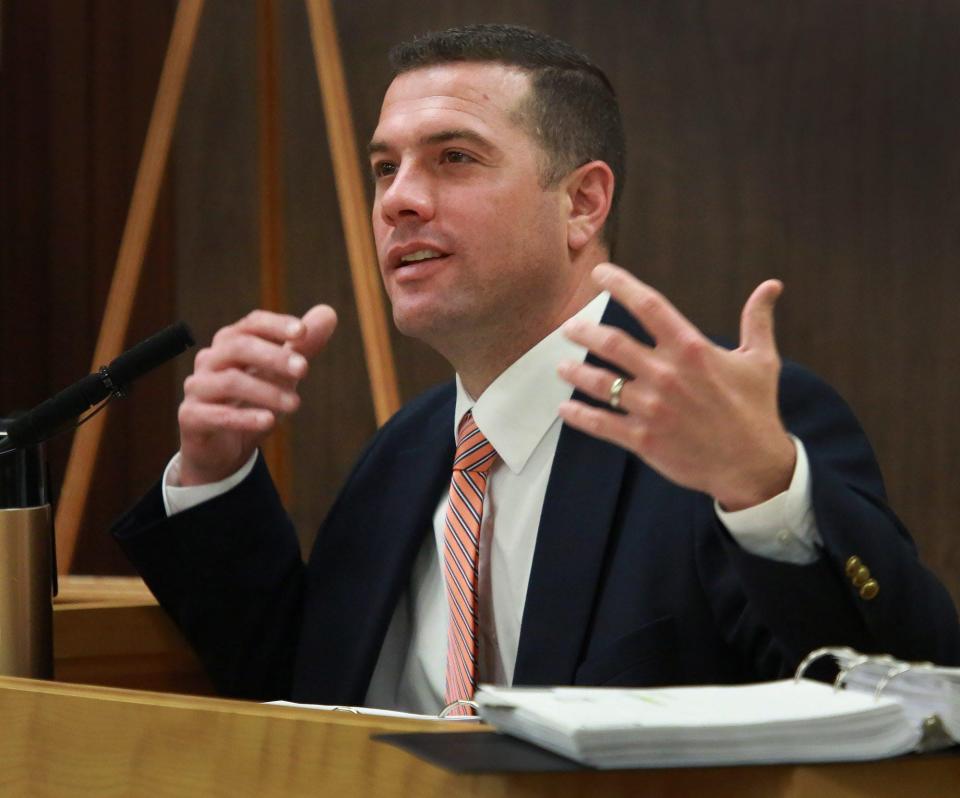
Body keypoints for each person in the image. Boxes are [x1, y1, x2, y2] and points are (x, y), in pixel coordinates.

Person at [112, 24, 959, 712]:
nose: (398, 199)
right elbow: (291, 695)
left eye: (454, 158)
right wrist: (213, 474)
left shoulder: (731, 430)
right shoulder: (401, 458)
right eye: (384, 168)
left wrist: (767, 494)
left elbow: (906, 696)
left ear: (582, 202)